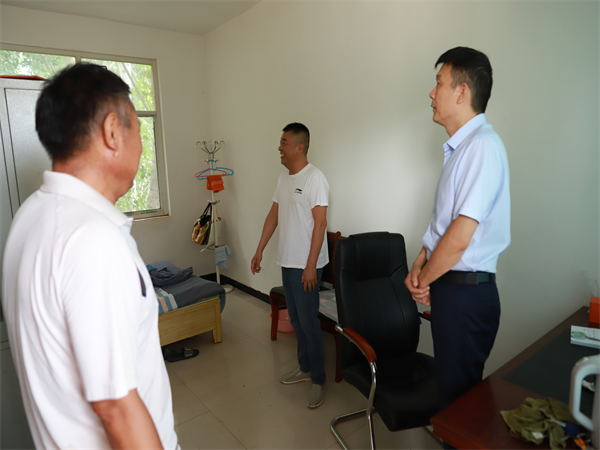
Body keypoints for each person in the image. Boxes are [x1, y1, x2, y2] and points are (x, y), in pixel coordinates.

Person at [1, 63, 178, 450]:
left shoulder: (30, 215)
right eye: (138, 130)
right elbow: (115, 409)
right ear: (113, 131)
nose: (141, 145)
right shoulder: (92, 239)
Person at [405, 47, 510, 448]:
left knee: (458, 409)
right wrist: (422, 264)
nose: (432, 94)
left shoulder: (481, 146)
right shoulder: (462, 150)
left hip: (466, 297)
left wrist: (423, 279)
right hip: (454, 290)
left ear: (462, 92)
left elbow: (461, 235)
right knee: (454, 404)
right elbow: (444, 226)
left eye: (439, 84)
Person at [251, 123, 329, 409]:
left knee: (309, 323)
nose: (279, 147)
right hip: (288, 261)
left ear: (299, 147)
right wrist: (259, 249)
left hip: (306, 266)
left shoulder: (315, 178)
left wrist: (310, 266)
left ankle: (318, 380)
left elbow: (320, 224)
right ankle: (304, 368)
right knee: (296, 320)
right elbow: (274, 215)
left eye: (284, 142)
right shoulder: (284, 178)